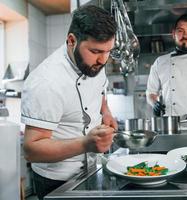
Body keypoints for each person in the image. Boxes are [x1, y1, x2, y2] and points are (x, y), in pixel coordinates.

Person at [21, 5, 117, 199]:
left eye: (108, 51)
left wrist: (106, 112)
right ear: (72, 40)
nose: (103, 60)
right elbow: (31, 150)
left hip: (91, 170)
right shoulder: (46, 82)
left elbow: (100, 91)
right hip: (57, 180)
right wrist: (86, 144)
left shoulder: (95, 61)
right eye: (96, 51)